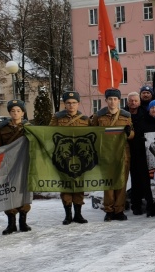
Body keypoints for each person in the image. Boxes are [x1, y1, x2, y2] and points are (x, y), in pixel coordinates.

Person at [90, 88, 134, 221]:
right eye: (110, 99)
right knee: (108, 183)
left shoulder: (126, 116)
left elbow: (132, 135)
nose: (112, 102)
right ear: (106, 100)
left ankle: (119, 210)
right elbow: (93, 133)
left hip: (122, 153)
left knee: (121, 181)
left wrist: (128, 132)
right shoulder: (99, 116)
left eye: (115, 99)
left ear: (119, 101)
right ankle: (109, 210)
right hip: (106, 154)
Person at [50, 91, 90, 224]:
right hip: (64, 159)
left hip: (80, 160)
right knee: (66, 185)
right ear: (64, 104)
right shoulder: (57, 118)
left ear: (78, 104)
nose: (71, 105)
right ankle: (68, 214)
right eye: (68, 103)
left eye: (74, 103)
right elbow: (49, 134)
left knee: (79, 185)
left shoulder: (85, 120)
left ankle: (78, 214)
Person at [0, 99, 32, 235]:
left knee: (23, 192)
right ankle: (11, 223)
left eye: (18, 111)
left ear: (23, 112)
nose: (15, 113)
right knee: (9, 192)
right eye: (12, 111)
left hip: (24, 164)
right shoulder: (2, 129)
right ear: (9, 112)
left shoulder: (30, 128)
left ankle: (23, 222)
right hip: (7, 165)